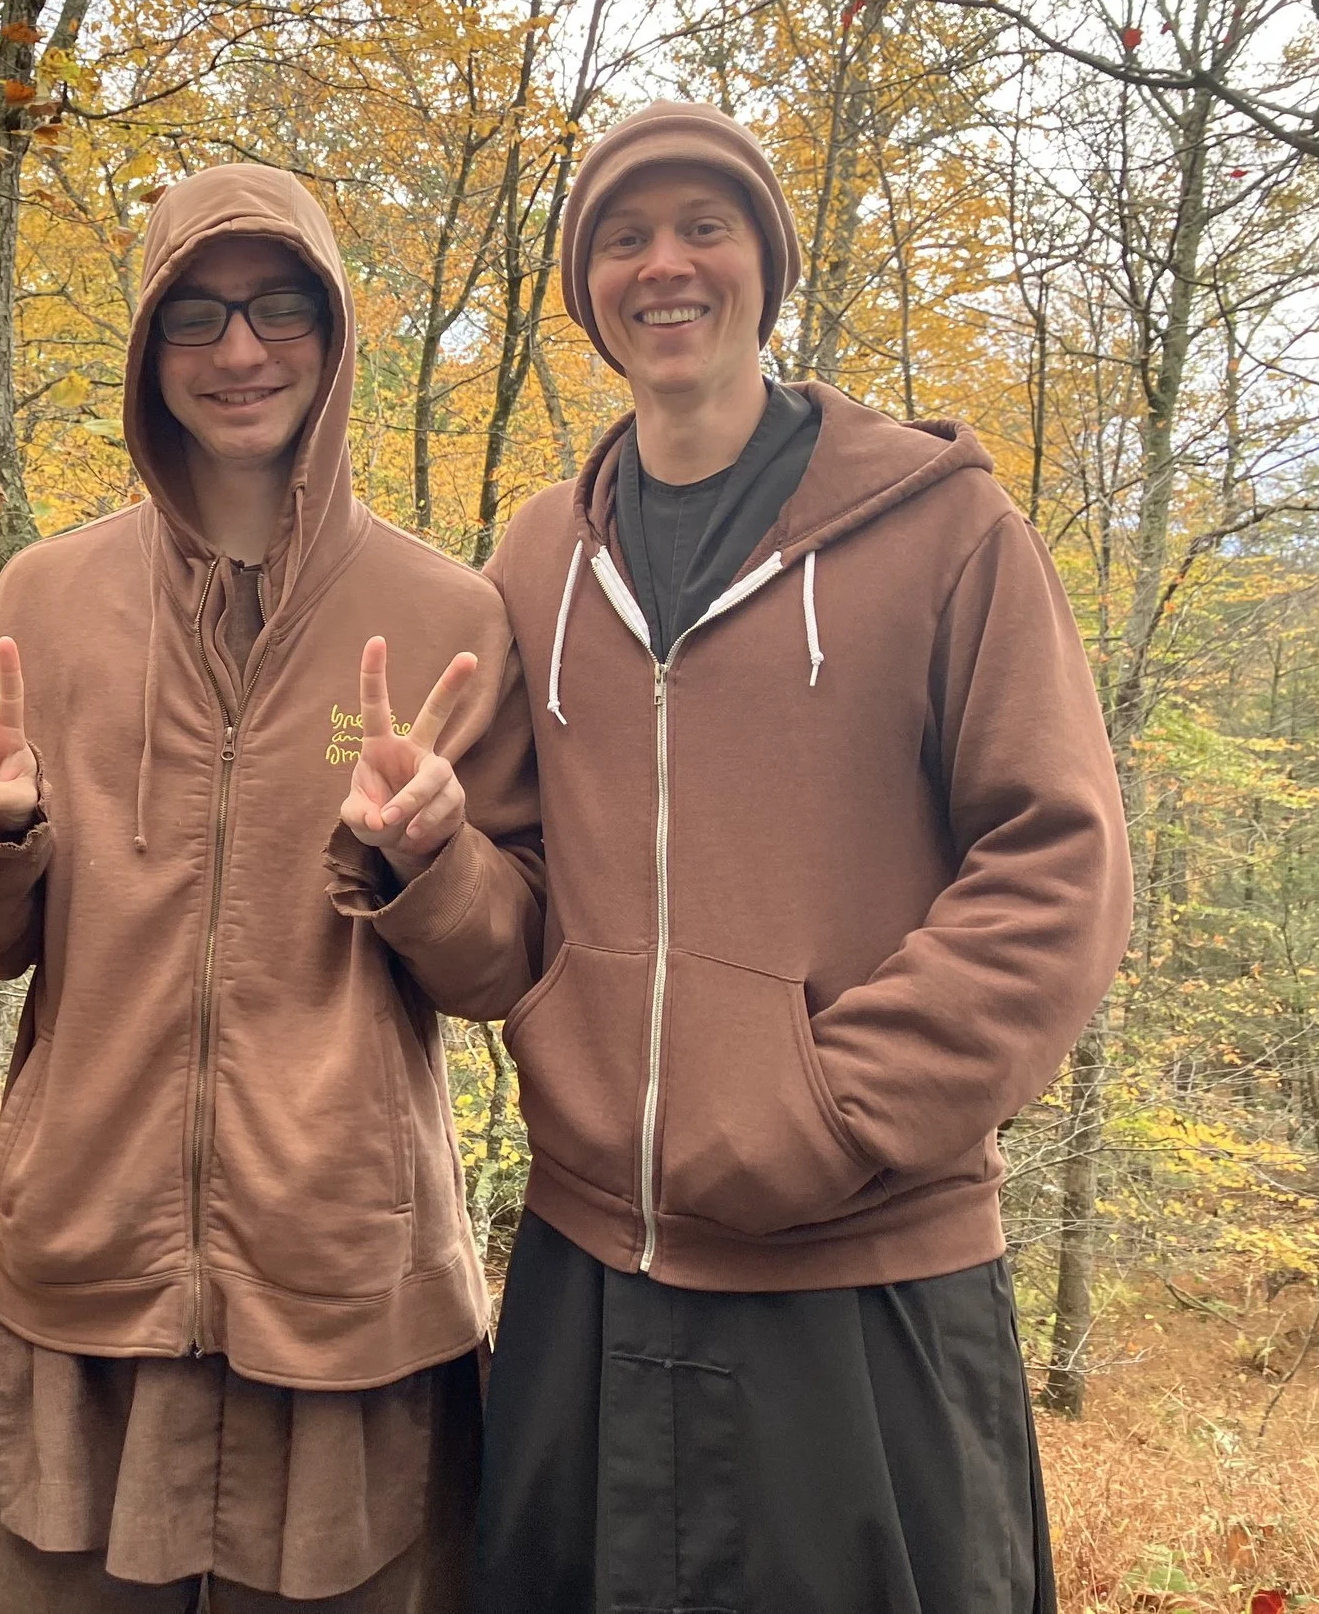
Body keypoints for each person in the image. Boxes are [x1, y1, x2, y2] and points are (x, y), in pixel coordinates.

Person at [459, 101, 1132, 1611]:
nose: (665, 265)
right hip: (590, 1277)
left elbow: (1058, 860)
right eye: (624, 237)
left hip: (863, 1275)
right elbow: (513, 895)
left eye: (705, 226)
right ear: (587, 293)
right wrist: (421, 862)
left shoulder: (946, 532)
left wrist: (831, 1110)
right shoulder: (532, 561)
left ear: (766, 260)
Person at [0, 163, 544, 1610]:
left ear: (329, 333)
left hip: (346, 1289)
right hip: (90, 1274)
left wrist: (431, 858)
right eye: (195, 314)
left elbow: (505, 963)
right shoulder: (50, 598)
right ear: (147, 350)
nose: (241, 350)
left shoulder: (446, 615)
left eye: (277, 308)